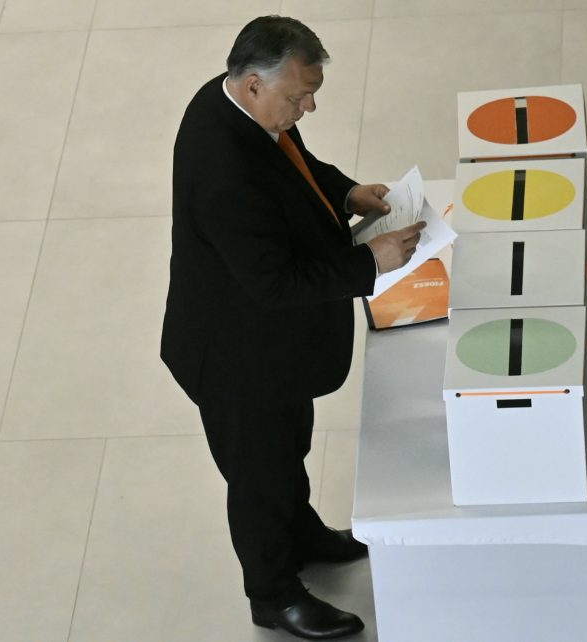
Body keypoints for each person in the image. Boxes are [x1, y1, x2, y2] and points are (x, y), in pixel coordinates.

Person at [160, 16, 425, 640]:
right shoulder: (222, 168)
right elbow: (274, 283)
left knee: (287, 451)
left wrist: (347, 193)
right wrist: (371, 261)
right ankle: (273, 595)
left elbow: (294, 166)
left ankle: (301, 532)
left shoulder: (241, 105)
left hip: (272, 346)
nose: (307, 109)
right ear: (254, 83)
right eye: (299, 96)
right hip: (237, 357)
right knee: (258, 479)